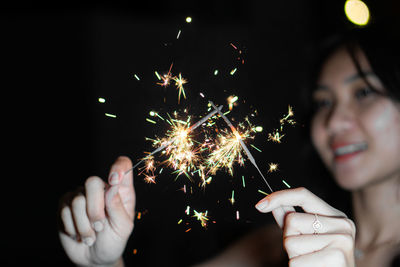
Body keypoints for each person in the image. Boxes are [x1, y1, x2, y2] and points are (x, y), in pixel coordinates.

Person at [58, 23, 400, 266]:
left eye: (364, 92)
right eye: (323, 102)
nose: (334, 121)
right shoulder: (273, 245)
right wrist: (103, 264)